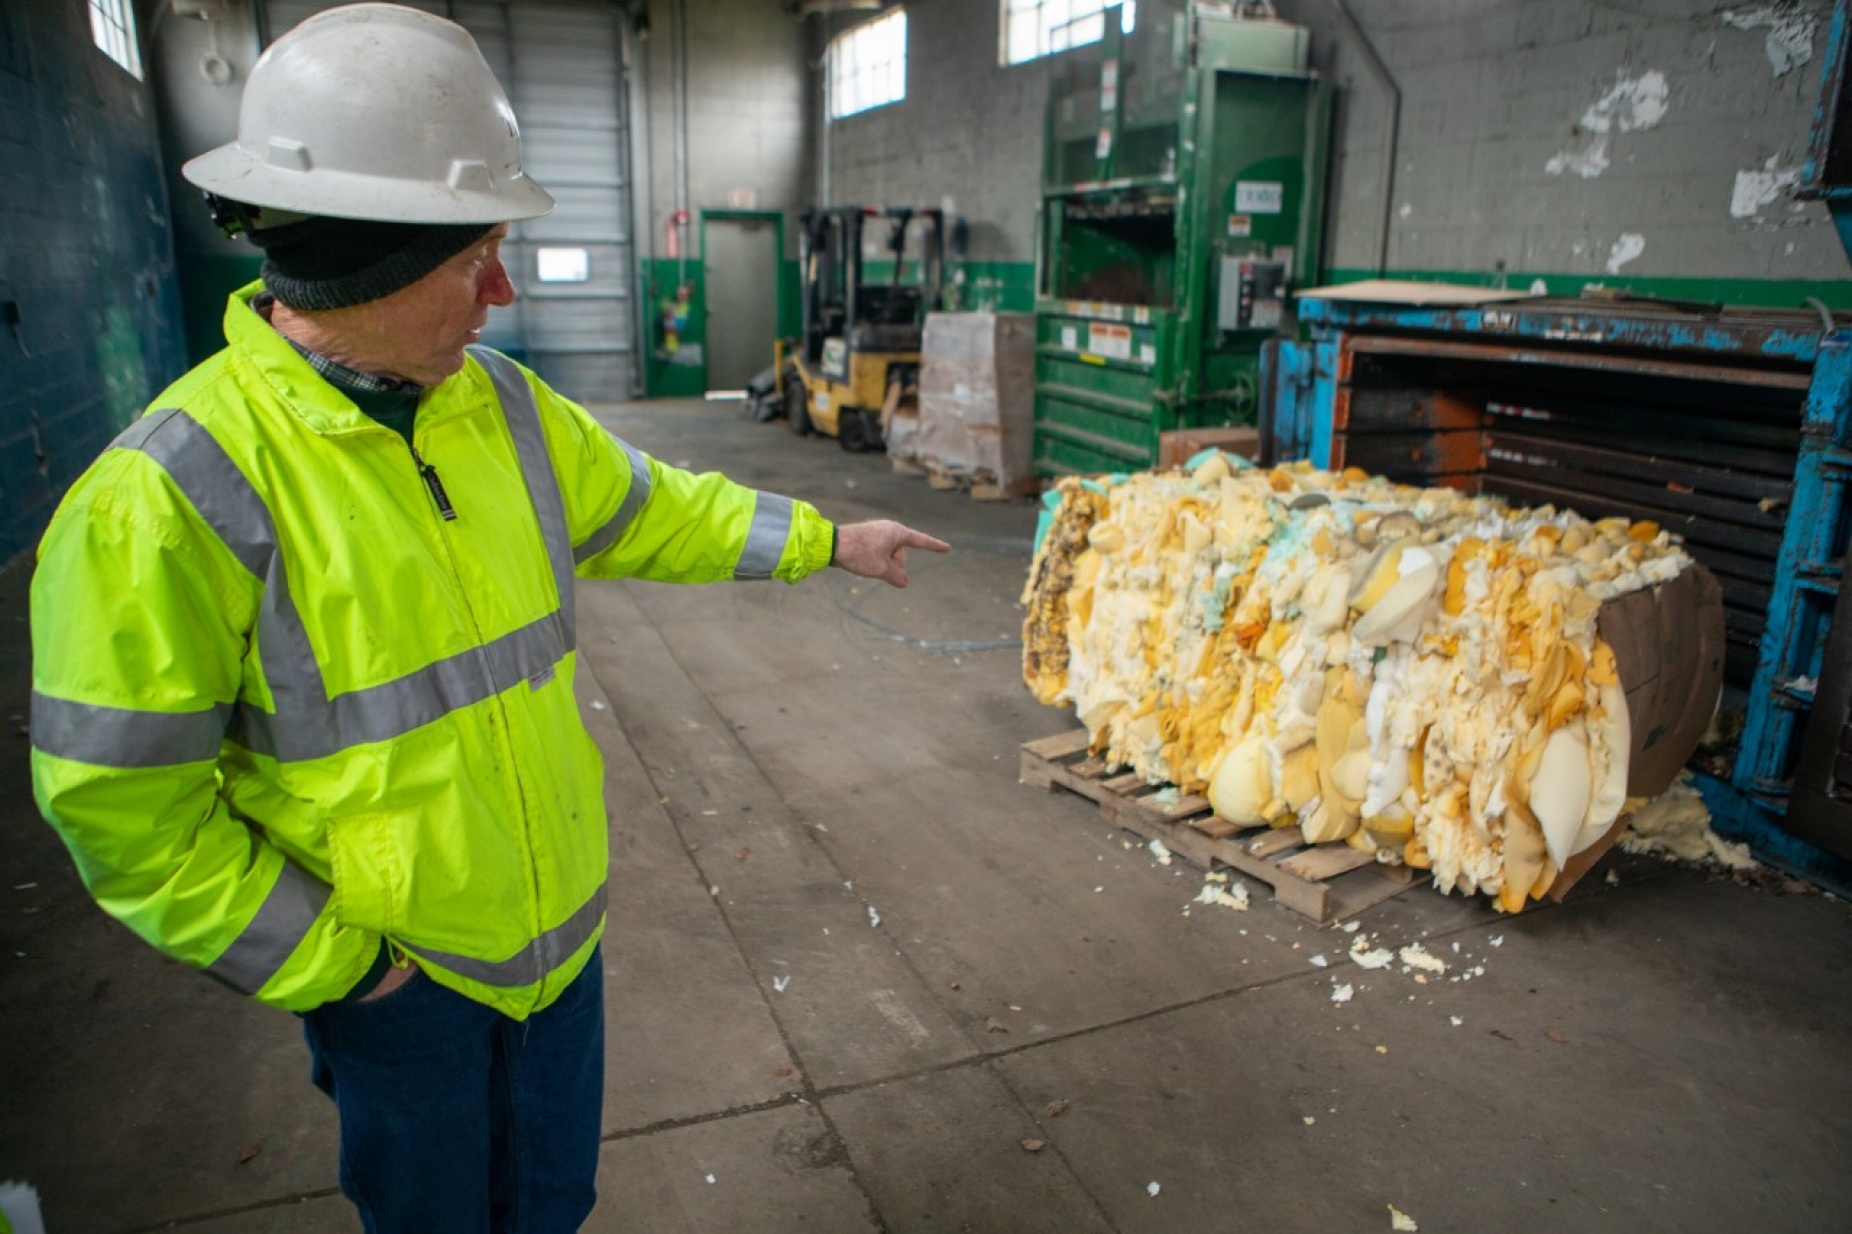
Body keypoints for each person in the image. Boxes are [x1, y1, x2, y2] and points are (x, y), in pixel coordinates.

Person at [27, 5, 948, 1230]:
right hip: (404, 981)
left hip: (557, 948)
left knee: (551, 1204)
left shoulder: (502, 407)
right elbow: (123, 810)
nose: (502, 293)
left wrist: (831, 538)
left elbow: (650, 509)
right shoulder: (168, 496)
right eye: (475, 260)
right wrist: (348, 970)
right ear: (365, 261)